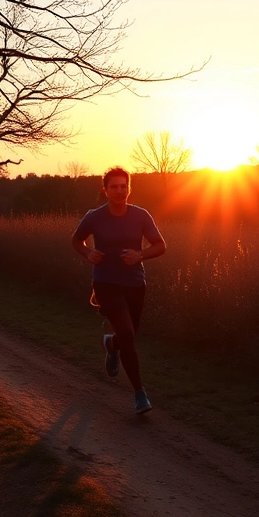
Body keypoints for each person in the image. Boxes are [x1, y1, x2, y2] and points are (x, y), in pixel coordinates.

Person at [71, 166, 166, 414]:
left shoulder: (141, 216)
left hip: (135, 283)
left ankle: (112, 345)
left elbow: (160, 245)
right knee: (128, 335)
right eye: (114, 186)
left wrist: (140, 254)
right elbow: (76, 240)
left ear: (129, 188)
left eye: (124, 186)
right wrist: (88, 252)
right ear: (105, 190)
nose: (119, 191)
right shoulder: (94, 216)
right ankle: (139, 394)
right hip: (105, 282)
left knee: (128, 335)